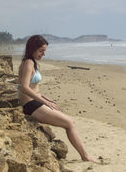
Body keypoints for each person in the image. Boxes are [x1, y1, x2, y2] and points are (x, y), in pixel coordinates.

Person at [18, 35, 98, 163]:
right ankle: (85, 156)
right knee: (70, 123)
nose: (43, 54)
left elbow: (33, 88)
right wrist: (44, 102)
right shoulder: (28, 63)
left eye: (44, 51)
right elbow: (23, 87)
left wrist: (45, 98)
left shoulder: (31, 62)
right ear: (32, 48)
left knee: (69, 122)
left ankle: (85, 155)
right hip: (31, 105)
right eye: (41, 51)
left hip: (35, 102)